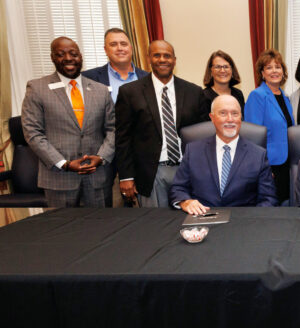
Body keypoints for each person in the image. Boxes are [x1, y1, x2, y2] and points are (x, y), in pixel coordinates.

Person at [21, 37, 114, 207]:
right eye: (61, 54)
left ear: (81, 57)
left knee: (102, 230)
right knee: (61, 232)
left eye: (73, 54)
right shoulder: (37, 88)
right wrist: (64, 164)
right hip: (58, 179)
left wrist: (101, 157)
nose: (69, 58)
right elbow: (32, 133)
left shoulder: (101, 90)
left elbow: (113, 129)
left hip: (97, 177)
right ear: (52, 58)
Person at [115, 40, 208, 207]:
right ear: (149, 58)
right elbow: (122, 138)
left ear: (174, 60)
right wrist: (126, 176)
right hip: (151, 172)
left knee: (190, 221)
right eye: (157, 55)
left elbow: (203, 134)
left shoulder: (194, 92)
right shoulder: (130, 92)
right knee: (156, 225)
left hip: (187, 170)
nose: (162, 59)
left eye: (167, 56)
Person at [169, 95, 277, 214]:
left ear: (241, 117)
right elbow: (177, 188)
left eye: (235, 113)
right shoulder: (193, 150)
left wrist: (251, 220)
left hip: (242, 223)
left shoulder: (258, 155)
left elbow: (268, 198)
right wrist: (186, 201)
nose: (230, 119)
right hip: (202, 219)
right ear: (212, 117)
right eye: (223, 113)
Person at [82, 28, 149, 207]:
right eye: (113, 44)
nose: (119, 48)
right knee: (110, 213)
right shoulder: (88, 79)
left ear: (131, 48)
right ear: (105, 49)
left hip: (140, 156)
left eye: (123, 43)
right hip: (103, 157)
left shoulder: (148, 78)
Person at [245, 49, 294, 202]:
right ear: (262, 72)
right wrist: (263, 167)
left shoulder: (285, 98)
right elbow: (253, 137)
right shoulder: (257, 96)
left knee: (287, 205)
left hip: (288, 163)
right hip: (270, 165)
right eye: (269, 67)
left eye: (278, 67)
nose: (274, 71)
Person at [202, 50, 245, 118]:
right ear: (211, 71)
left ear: (232, 70)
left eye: (226, 67)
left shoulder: (238, 94)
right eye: (217, 67)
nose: (222, 71)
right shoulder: (203, 96)